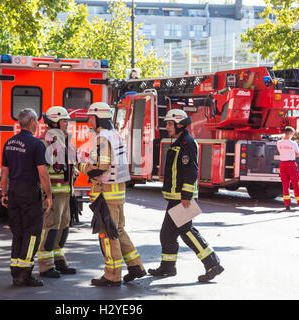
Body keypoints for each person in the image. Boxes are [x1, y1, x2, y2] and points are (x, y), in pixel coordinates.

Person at [148, 109, 224, 283]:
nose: (167, 128)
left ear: (179, 124)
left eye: (169, 124)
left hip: (183, 198)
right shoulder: (179, 142)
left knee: (186, 231)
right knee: (167, 234)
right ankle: (168, 267)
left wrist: (186, 196)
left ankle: (212, 263)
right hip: (176, 198)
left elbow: (191, 171)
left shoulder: (187, 143)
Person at [77, 102, 146, 287]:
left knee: (108, 236)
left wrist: (80, 165)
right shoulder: (115, 136)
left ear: (98, 118)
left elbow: (100, 167)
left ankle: (112, 275)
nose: (89, 121)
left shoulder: (103, 138)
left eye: (91, 117)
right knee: (118, 231)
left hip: (106, 195)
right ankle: (135, 266)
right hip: (117, 193)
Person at [0, 109, 52, 287]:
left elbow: (4, 172)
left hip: (14, 192)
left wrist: (3, 193)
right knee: (32, 234)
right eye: (36, 120)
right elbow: (42, 173)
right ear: (31, 122)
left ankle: (15, 272)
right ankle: (25, 274)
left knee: (18, 232)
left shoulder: (9, 143)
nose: (37, 124)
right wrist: (49, 195)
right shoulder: (36, 144)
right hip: (29, 193)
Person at [37, 106, 77, 278]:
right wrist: (47, 194)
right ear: (53, 122)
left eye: (67, 120)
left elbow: (71, 164)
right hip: (53, 193)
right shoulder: (45, 141)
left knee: (63, 228)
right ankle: (46, 265)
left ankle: (59, 260)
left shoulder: (65, 139)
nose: (67, 123)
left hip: (66, 192)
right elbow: (42, 170)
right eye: (64, 121)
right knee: (50, 228)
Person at [276, 126, 299, 211]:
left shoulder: (279, 143)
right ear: (290, 133)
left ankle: (287, 205)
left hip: (283, 164)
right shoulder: (293, 143)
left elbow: (280, 151)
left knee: (285, 185)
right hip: (291, 164)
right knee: (296, 184)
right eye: (293, 133)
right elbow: (297, 154)